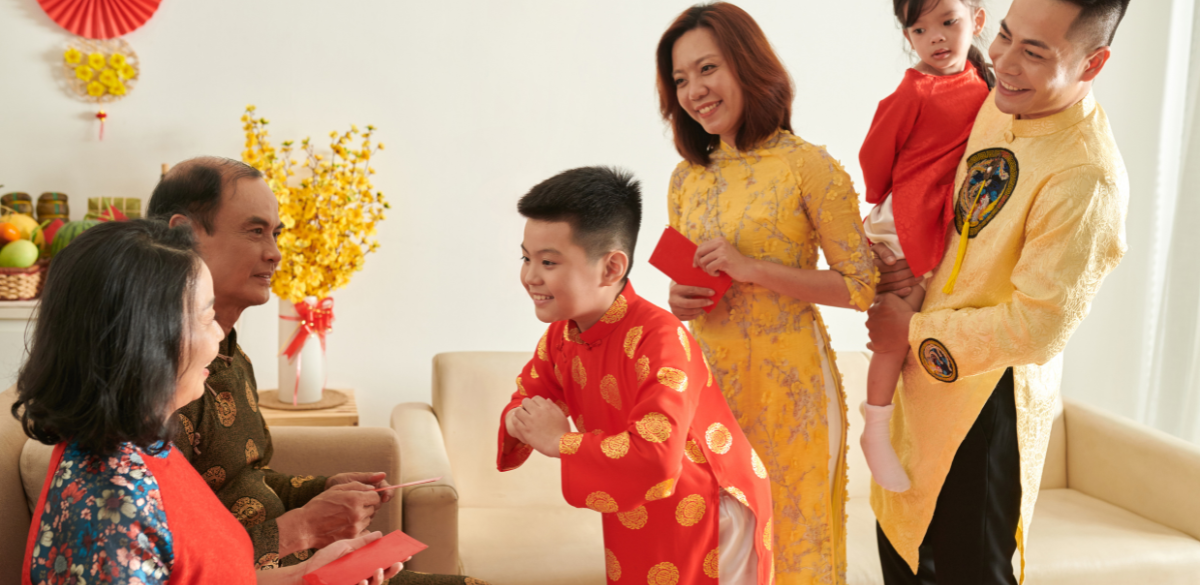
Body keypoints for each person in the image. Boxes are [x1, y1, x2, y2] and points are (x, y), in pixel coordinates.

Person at [866, 0, 1134, 583]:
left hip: (987, 409)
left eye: (1035, 52)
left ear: (1092, 64)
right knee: (899, 546)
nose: (1005, 63)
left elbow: (1037, 328)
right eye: (1006, 35)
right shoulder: (999, 101)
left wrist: (912, 332)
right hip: (919, 384)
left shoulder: (1087, 177)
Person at [148, 158, 484, 584]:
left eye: (275, 233)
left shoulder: (231, 355)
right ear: (185, 234)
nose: (275, 253)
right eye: (255, 231)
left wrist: (320, 490)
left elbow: (245, 479)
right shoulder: (161, 384)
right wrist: (303, 529)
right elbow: (178, 563)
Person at [13, 219, 401, 585]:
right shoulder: (113, 507)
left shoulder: (149, 446)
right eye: (205, 317)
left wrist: (307, 575)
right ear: (147, 341)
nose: (218, 334)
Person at [659, 2, 876, 583]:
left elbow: (861, 286)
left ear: (748, 65)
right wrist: (680, 298)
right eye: (680, 79)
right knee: (715, 551)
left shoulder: (810, 167)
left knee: (795, 547)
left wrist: (753, 268)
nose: (694, 91)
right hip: (709, 389)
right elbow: (691, 277)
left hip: (792, 390)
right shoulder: (685, 179)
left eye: (707, 69)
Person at [497, 166, 774, 585]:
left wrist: (559, 441)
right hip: (637, 505)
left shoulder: (660, 338)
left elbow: (655, 455)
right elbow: (525, 400)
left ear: (611, 268)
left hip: (709, 506)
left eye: (548, 262)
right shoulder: (561, 335)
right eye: (526, 258)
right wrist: (525, 422)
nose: (530, 276)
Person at [857, 0, 992, 493]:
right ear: (907, 36)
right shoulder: (914, 90)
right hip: (908, 220)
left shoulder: (986, 83)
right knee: (896, 323)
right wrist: (894, 194)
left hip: (944, 220)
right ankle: (875, 429)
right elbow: (873, 160)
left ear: (976, 20)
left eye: (948, 22)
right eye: (919, 29)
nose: (935, 37)